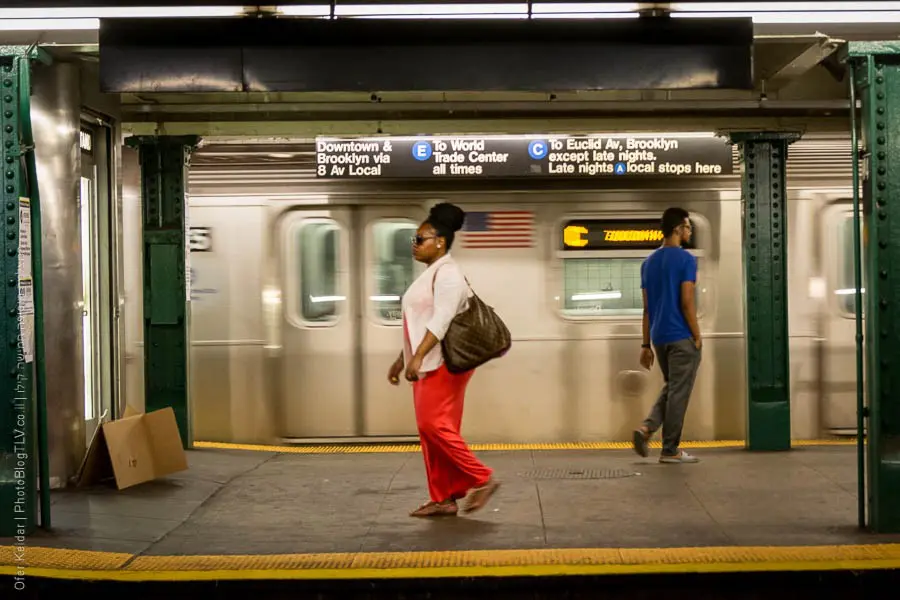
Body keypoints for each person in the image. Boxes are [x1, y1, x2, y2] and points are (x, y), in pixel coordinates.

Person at [388, 202, 500, 517]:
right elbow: (420, 321)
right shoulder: (432, 274)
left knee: (434, 425)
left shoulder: (448, 273)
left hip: (442, 363)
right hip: (426, 361)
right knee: (430, 431)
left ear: (439, 241)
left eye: (419, 238)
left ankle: (482, 478)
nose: (415, 244)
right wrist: (403, 358)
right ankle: (444, 497)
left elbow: (441, 320)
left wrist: (418, 356)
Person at [632, 207, 702, 464]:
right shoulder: (686, 260)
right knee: (679, 393)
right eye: (687, 227)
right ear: (677, 229)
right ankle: (670, 450)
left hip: (659, 337)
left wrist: (645, 344)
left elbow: (647, 308)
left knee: (673, 388)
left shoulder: (647, 263)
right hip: (681, 335)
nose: (689, 231)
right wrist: (697, 335)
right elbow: (687, 302)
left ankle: (647, 429)